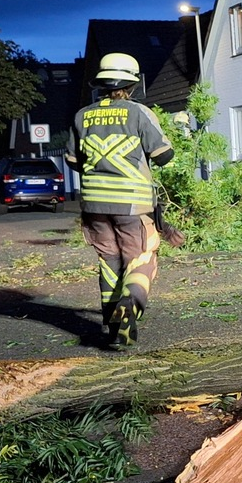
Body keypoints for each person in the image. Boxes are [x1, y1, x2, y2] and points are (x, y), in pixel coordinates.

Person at [67, 52, 175, 348]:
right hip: (132, 205)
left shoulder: (81, 115)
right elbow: (163, 155)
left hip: (93, 207)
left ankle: (113, 328)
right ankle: (130, 305)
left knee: (109, 262)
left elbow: (73, 160)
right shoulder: (139, 113)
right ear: (132, 83)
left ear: (101, 83)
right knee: (141, 259)